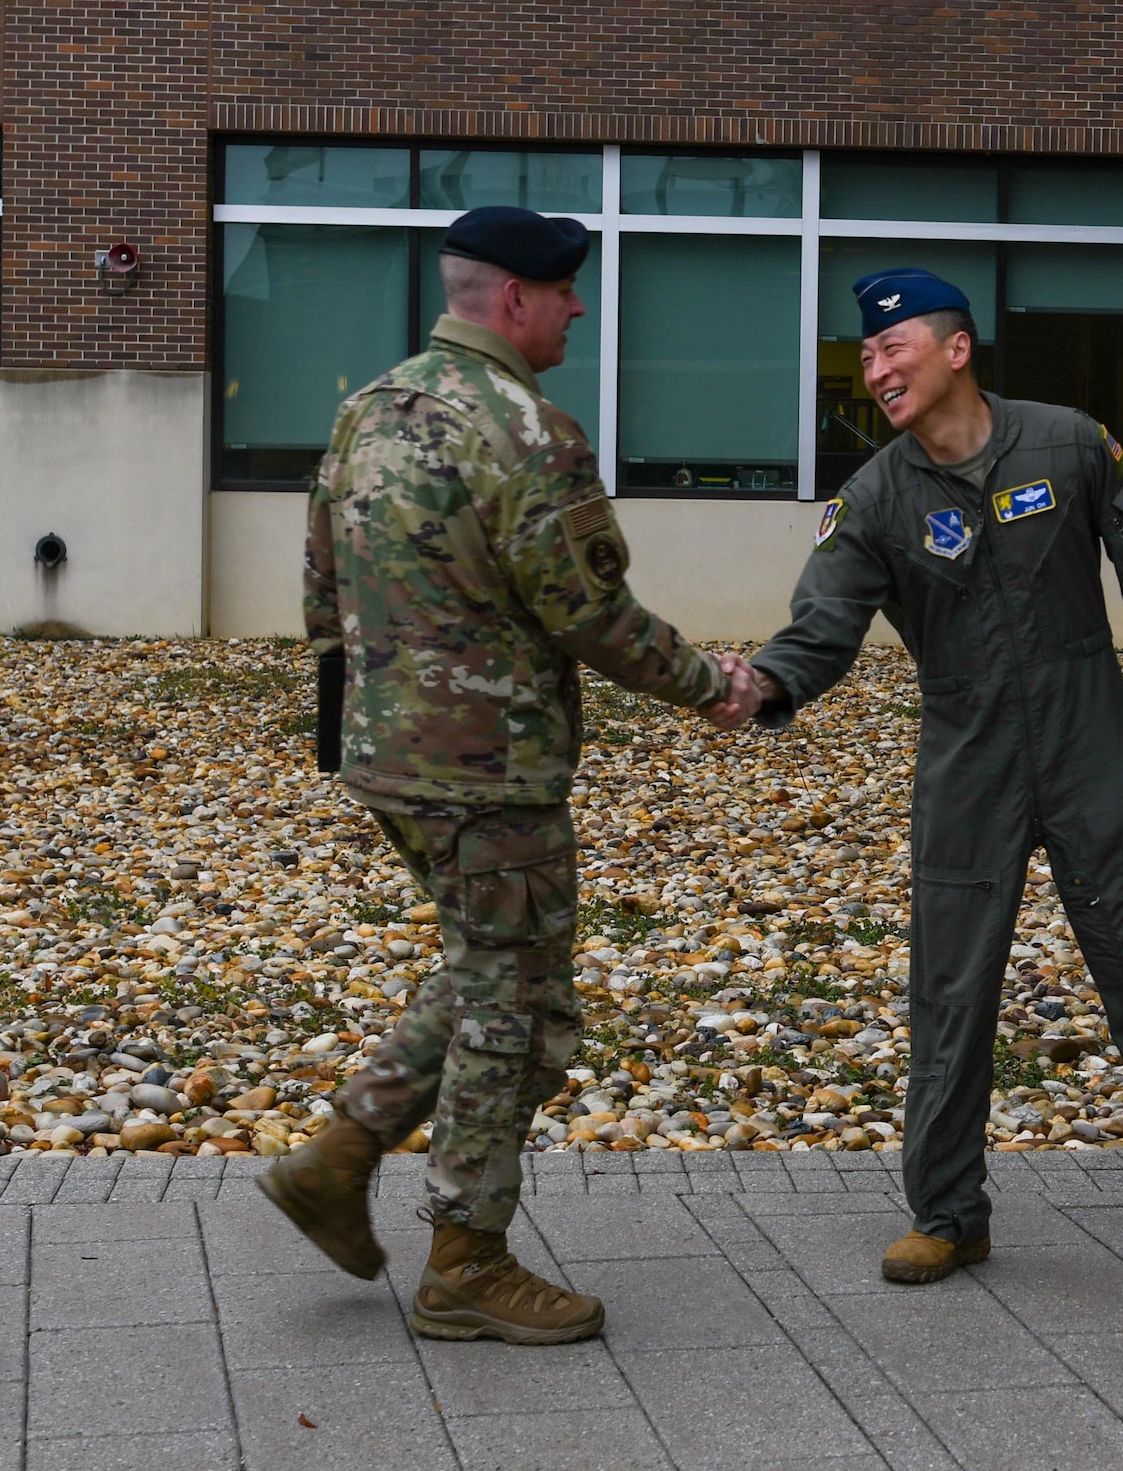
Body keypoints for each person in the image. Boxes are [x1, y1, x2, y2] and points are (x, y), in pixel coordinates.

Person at [270, 204, 763, 1345]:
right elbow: (587, 609)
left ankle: (336, 1161)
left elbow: (317, 586)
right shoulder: (529, 430)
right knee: (518, 1010)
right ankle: (464, 1262)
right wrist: (710, 686)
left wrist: (356, 725)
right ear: (513, 300)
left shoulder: (367, 410)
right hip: (493, 773)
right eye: (566, 293)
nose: (578, 311)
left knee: (487, 958)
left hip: (389, 758)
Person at [748, 268, 1123, 1282]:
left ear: (956, 350)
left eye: (893, 350)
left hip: (1086, 735)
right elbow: (823, 625)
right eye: (868, 355)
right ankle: (946, 1212)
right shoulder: (875, 497)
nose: (874, 368)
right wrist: (763, 688)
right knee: (949, 986)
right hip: (965, 750)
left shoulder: (1067, 442)